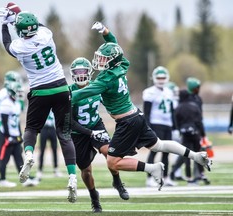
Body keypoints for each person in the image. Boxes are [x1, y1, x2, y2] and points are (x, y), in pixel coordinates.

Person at [71, 21, 212, 191]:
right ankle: (195, 155)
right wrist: (105, 31)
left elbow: (80, 94)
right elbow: (114, 45)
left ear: (111, 60)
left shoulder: (105, 80)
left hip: (127, 122)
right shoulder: (122, 65)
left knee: (113, 162)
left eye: (103, 58)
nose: (99, 60)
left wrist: (58, 95)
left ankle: (153, 168)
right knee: (159, 145)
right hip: (136, 116)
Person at [0, 6, 77, 202]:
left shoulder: (20, 47)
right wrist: (18, 12)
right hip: (60, 87)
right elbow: (36, 24)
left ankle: (29, 154)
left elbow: (7, 44)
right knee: (65, 135)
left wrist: (4, 24)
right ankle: (72, 176)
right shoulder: (46, 34)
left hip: (40, 90)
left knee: (32, 129)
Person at [69, 57, 129, 212]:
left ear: (90, 72)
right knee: (86, 171)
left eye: (83, 71)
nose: (81, 75)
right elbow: (69, 122)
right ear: (72, 73)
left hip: (96, 124)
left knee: (110, 153)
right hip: (78, 133)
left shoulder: (98, 87)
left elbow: (111, 102)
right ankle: (94, 198)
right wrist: (90, 133)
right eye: (77, 72)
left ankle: (117, 181)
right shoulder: (69, 91)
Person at [142, 66, 177, 187]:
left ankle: (166, 177)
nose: (161, 80)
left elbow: (172, 112)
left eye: (163, 77)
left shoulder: (169, 91)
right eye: (159, 77)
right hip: (156, 124)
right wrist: (148, 127)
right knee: (154, 152)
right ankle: (149, 178)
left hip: (168, 125)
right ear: (154, 78)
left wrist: (175, 128)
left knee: (167, 153)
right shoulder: (149, 92)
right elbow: (147, 112)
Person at [170, 90, 208, 185]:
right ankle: (202, 174)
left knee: (187, 155)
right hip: (195, 133)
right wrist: (203, 134)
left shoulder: (178, 108)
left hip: (185, 134)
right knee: (198, 153)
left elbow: (176, 122)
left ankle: (189, 177)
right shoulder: (194, 106)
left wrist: (179, 131)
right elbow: (199, 121)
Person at [0, 70, 23, 185]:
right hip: (3, 124)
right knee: (2, 152)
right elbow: (3, 113)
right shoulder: (3, 95)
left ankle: (22, 175)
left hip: (11, 125)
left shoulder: (13, 101)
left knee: (17, 151)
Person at [186, 77, 212, 184]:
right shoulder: (188, 99)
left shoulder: (198, 99)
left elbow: (200, 116)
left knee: (197, 151)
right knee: (187, 153)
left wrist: (202, 131)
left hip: (197, 128)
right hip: (188, 129)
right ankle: (182, 174)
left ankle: (199, 174)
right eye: (197, 87)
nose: (199, 89)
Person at [36, 110, 62, 180]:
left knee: (54, 150)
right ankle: (40, 170)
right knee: (42, 150)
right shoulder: (43, 105)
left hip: (52, 128)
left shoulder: (54, 106)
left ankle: (56, 169)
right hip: (44, 128)